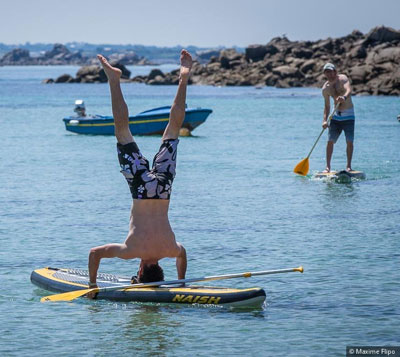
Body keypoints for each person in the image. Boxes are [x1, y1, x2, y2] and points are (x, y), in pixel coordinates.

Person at [87, 50, 191, 296]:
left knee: (173, 129)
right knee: (122, 132)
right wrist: (93, 285)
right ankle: (114, 80)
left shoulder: (171, 249)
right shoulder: (130, 250)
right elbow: (94, 253)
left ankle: (183, 79)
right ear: (141, 269)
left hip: (163, 189)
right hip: (141, 188)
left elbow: (183, 254)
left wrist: (181, 280)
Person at [321, 63, 355, 172]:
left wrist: (344, 97)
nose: (329, 74)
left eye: (331, 71)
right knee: (330, 141)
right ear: (325, 74)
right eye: (327, 72)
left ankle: (348, 166)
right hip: (335, 117)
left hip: (349, 116)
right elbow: (327, 106)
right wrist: (324, 121)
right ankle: (327, 167)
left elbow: (349, 90)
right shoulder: (325, 89)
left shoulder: (343, 79)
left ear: (335, 71)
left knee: (349, 141)